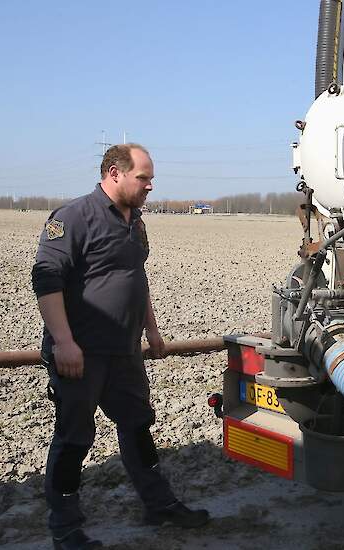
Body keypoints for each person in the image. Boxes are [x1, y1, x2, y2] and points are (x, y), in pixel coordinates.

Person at [31, 144, 209, 550]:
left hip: (124, 350)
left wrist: (152, 330)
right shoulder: (73, 217)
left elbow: (135, 275)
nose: (150, 185)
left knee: (137, 426)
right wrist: (64, 342)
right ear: (115, 173)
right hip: (81, 352)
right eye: (143, 178)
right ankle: (66, 528)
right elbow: (46, 278)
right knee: (74, 438)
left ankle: (158, 504)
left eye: (150, 178)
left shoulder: (137, 222)